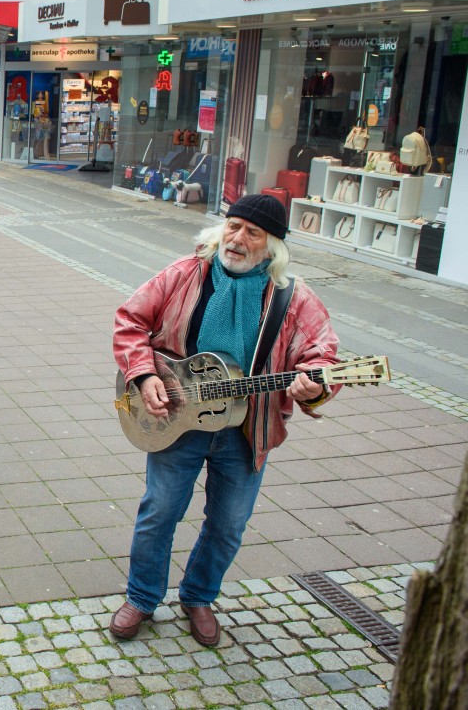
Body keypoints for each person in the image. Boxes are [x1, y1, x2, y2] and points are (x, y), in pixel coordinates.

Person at [109, 195, 340, 648]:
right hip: (178, 418)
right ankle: (142, 597)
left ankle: (198, 596)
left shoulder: (293, 297)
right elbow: (129, 320)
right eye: (233, 226)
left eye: (253, 233)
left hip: (246, 430)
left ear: (273, 245)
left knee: (229, 523)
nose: (238, 239)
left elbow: (322, 355)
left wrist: (316, 385)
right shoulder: (184, 274)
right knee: (159, 512)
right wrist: (142, 375)